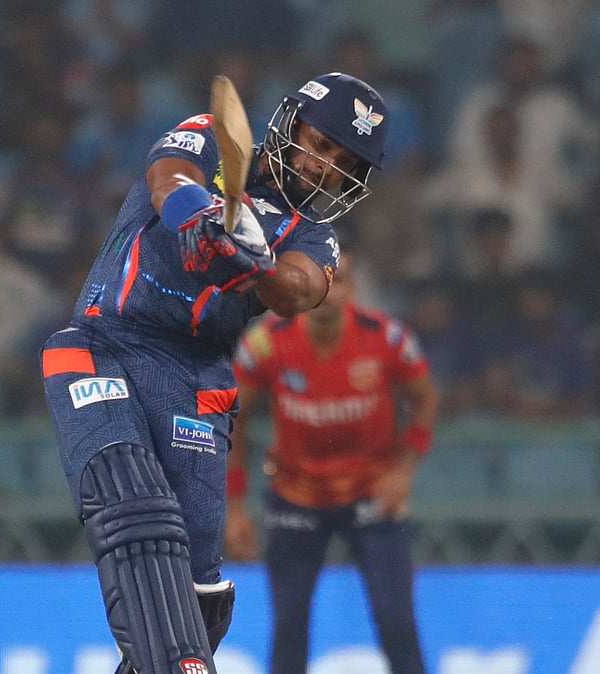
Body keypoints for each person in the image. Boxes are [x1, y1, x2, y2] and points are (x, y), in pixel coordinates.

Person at [40, 72, 391, 673]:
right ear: (290, 122)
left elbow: (299, 288)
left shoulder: (316, 236)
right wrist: (200, 221)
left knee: (198, 603)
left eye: (342, 160)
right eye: (321, 142)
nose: (323, 166)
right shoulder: (212, 142)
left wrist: (252, 265)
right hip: (106, 344)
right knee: (136, 510)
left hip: (199, 381)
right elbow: (168, 178)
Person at [225, 252, 438, 674]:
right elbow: (234, 420)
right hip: (295, 496)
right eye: (320, 282)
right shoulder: (265, 342)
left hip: (372, 495)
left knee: (396, 623)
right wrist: (234, 508)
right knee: (289, 627)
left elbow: (426, 400)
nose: (328, 292)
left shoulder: (386, 337)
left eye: (338, 281)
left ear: (353, 289)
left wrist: (403, 471)